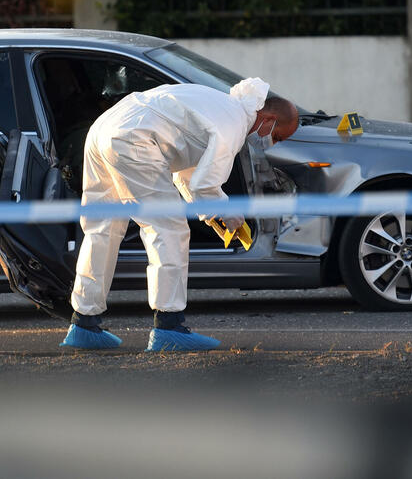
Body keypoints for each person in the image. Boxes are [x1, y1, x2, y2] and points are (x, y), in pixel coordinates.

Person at [60, 78, 299, 351]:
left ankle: (83, 322)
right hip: (133, 140)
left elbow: (187, 176)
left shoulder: (220, 106)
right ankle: (168, 327)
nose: (272, 143)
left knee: (102, 228)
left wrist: (212, 216)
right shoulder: (233, 126)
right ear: (267, 118)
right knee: (168, 229)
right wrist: (228, 212)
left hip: (104, 130)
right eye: (277, 136)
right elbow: (205, 184)